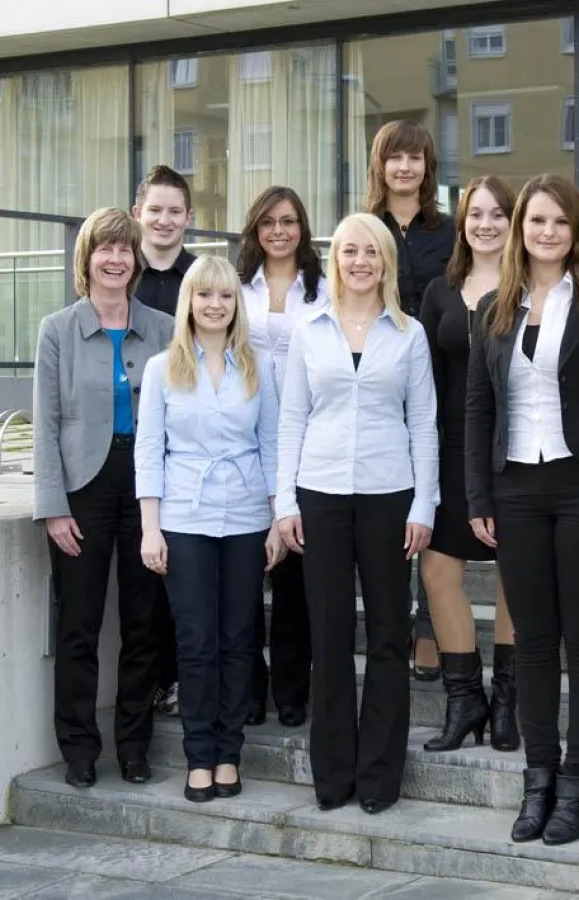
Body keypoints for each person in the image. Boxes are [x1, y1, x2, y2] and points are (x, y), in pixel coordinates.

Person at [466, 174, 579, 847]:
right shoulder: (493, 308)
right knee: (532, 642)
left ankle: (577, 780)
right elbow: (479, 406)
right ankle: (538, 779)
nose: (546, 233)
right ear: (521, 230)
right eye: (535, 222)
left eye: (558, 223)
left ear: (575, 233)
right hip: (515, 491)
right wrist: (478, 494)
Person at [276, 213, 439, 815]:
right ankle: (334, 775)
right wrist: (284, 502)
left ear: (386, 262)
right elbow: (291, 417)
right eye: (349, 251)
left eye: (371, 251)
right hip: (318, 493)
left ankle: (378, 777)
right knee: (330, 635)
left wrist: (425, 503)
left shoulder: (409, 333)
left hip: (388, 494)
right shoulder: (307, 329)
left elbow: (423, 422)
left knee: (392, 636)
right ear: (336, 259)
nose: (360, 261)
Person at [32, 207, 175, 790]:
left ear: (137, 259)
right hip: (83, 487)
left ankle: (135, 746)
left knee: (144, 621)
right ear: (86, 258)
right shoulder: (56, 329)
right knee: (79, 624)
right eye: (105, 249)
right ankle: (79, 749)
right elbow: (43, 423)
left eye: (125, 249)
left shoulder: (164, 328)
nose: (115, 259)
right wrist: (53, 505)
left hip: (146, 487)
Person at [134, 256, 284, 802]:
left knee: (238, 640)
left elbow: (272, 445)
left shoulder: (259, 366)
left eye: (225, 296)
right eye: (205, 295)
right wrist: (151, 528)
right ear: (189, 302)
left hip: (246, 516)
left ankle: (229, 753)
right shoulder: (161, 369)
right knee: (196, 642)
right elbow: (150, 451)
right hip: (185, 517)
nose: (215, 305)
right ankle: (199, 755)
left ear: (235, 305)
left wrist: (275, 519)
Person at [418, 175, 518, 753]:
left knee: (515, 576)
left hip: (515, 453)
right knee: (437, 572)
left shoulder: (534, 287)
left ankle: (507, 701)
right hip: (451, 450)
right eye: (475, 214)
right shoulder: (439, 292)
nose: (486, 224)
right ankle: (465, 701)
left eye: (498, 214)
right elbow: (425, 384)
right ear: (462, 225)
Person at [365, 119, 456, 681]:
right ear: (381, 165)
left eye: (415, 158)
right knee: (387, 509)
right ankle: (390, 624)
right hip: (376, 378)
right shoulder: (363, 227)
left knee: (430, 504)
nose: (405, 167)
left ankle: (428, 627)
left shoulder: (447, 231)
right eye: (395, 158)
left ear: (427, 167)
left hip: (438, 376)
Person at [237, 185, 327, 729]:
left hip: (305, 439)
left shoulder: (323, 290)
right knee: (245, 574)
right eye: (268, 221)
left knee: (294, 578)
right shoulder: (235, 286)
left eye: (289, 221)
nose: (278, 230)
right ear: (255, 228)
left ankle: (293, 688)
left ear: (302, 228)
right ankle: (249, 686)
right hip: (242, 438)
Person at [132, 163, 196, 718]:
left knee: (183, 577)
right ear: (138, 214)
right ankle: (148, 684)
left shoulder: (200, 281)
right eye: (155, 209)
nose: (165, 220)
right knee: (142, 586)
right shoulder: (118, 271)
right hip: (131, 446)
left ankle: (180, 680)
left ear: (189, 219)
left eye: (175, 210)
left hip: (190, 452)